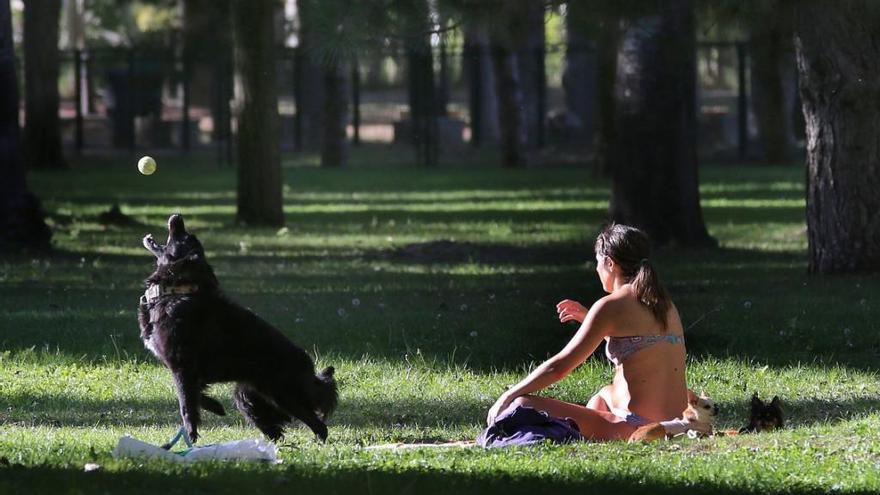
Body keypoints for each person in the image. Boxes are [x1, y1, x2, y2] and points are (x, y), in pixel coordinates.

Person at [486, 224, 691, 441]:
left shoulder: (610, 306)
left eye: (598, 262)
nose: (596, 270)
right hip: (677, 424)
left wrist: (508, 395)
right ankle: (588, 433)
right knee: (603, 394)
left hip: (641, 429)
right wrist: (590, 321)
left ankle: (585, 434)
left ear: (610, 263)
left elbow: (558, 368)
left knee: (521, 405)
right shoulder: (663, 302)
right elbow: (642, 348)